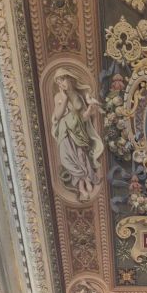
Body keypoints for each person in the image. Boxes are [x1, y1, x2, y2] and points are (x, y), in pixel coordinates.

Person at [51, 69, 104, 201]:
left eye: (62, 80)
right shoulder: (58, 97)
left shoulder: (78, 96)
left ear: (69, 78)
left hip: (78, 132)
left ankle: (83, 185)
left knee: (80, 157)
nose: (61, 84)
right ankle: (85, 180)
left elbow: (84, 118)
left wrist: (90, 109)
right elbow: (57, 116)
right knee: (68, 159)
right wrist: (64, 99)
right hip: (65, 131)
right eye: (58, 82)